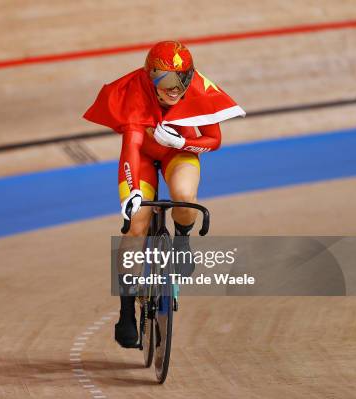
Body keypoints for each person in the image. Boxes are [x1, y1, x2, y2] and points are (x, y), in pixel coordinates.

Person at [84, 41, 245, 348]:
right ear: (150, 78)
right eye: (167, 82)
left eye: (182, 80)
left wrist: (181, 144)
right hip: (140, 159)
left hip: (177, 153)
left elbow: (213, 140)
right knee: (137, 226)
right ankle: (127, 313)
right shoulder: (135, 93)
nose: (175, 89)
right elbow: (131, 147)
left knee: (185, 197)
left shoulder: (197, 88)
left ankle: (182, 240)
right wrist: (133, 194)